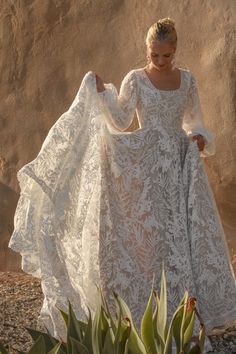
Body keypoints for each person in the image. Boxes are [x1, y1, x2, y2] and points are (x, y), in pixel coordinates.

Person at [9, 18, 236, 353]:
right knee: (149, 240)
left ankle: (186, 319)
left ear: (175, 51)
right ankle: (147, 316)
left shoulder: (187, 80)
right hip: (145, 168)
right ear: (147, 49)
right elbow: (120, 119)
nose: (160, 62)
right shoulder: (136, 78)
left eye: (167, 56)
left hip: (179, 167)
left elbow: (194, 122)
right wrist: (102, 94)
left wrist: (200, 138)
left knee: (181, 239)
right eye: (155, 55)